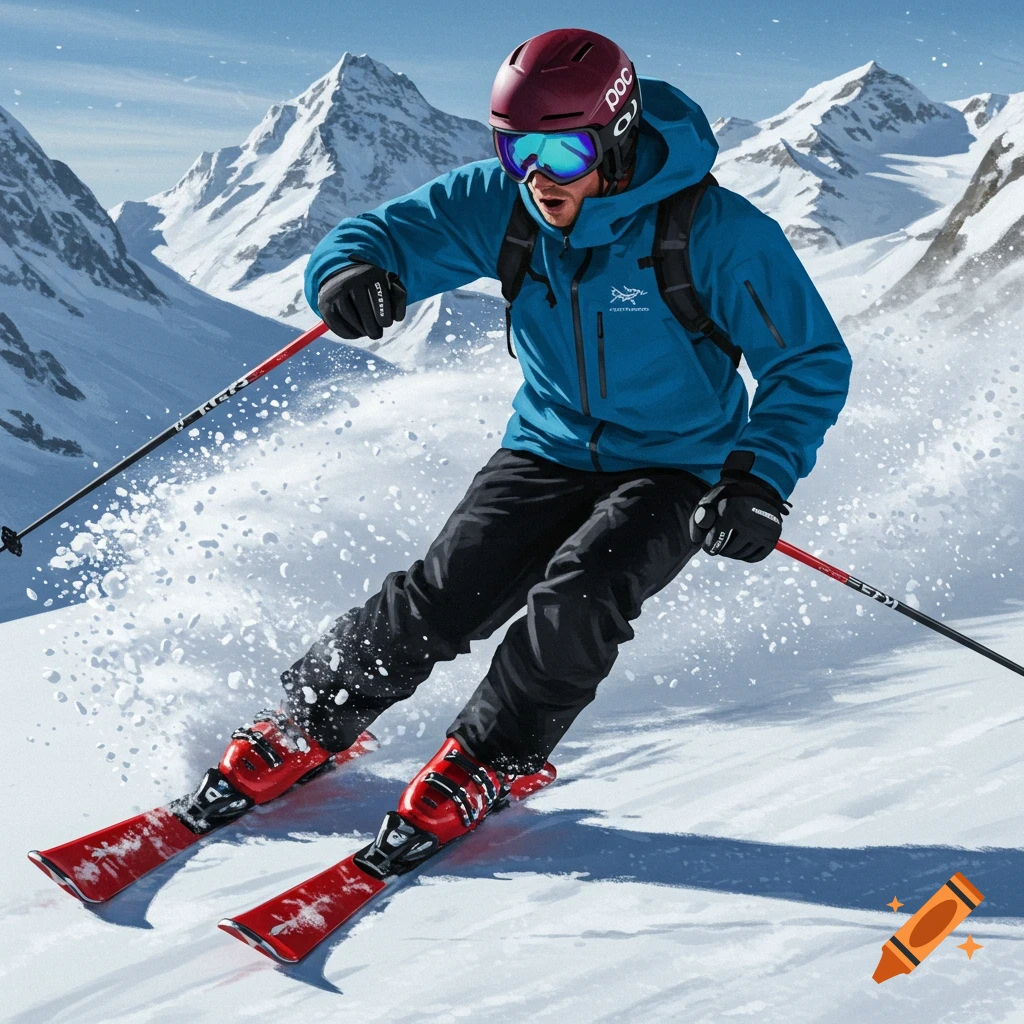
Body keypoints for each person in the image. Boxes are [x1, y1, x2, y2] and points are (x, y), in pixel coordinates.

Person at [213, 28, 851, 855]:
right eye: (517, 150)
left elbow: (808, 362)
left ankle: (490, 757)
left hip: (677, 465)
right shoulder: (505, 203)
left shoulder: (715, 233)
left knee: (579, 596)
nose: (539, 175)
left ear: (616, 134)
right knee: (443, 594)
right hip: (546, 445)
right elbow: (382, 236)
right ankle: (311, 717)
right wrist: (347, 275)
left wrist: (759, 478)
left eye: (563, 149)